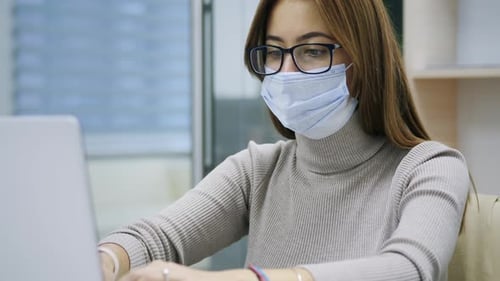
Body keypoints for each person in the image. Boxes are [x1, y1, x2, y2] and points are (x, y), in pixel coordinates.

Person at [98, 0, 470, 280]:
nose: (286, 72)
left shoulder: (431, 167)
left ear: (364, 58)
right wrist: (105, 261)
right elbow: (156, 237)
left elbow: (409, 269)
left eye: (312, 50)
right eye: (274, 52)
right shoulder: (257, 170)